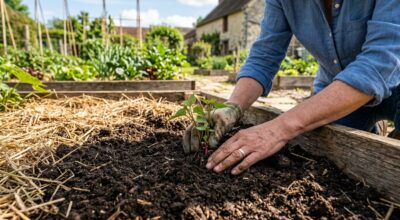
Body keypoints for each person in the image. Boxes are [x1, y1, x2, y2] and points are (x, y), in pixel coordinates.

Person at [183, 0, 400, 175]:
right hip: (338, 88)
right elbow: (265, 55)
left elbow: (381, 62)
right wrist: (233, 107)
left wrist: (278, 129)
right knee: (343, 163)